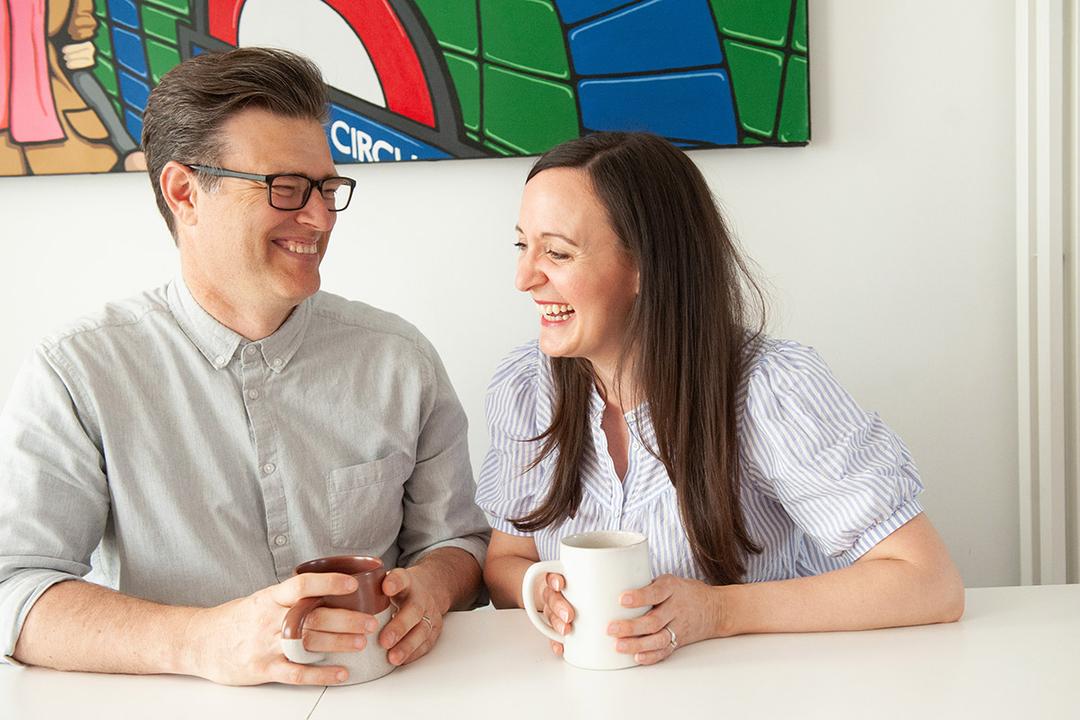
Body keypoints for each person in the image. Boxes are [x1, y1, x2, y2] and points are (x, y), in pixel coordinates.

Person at [0, 47, 488, 685]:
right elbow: (16, 589)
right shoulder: (78, 372)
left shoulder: (400, 359)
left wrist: (433, 586)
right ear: (185, 192)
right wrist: (201, 642)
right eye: (285, 188)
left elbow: (459, 543)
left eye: (327, 188)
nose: (318, 218)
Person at [478, 132, 964, 666]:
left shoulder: (773, 388)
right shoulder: (525, 388)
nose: (524, 278)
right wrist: (539, 589)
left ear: (645, 264)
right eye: (523, 245)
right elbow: (509, 557)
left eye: (558, 252)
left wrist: (717, 613)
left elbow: (928, 582)